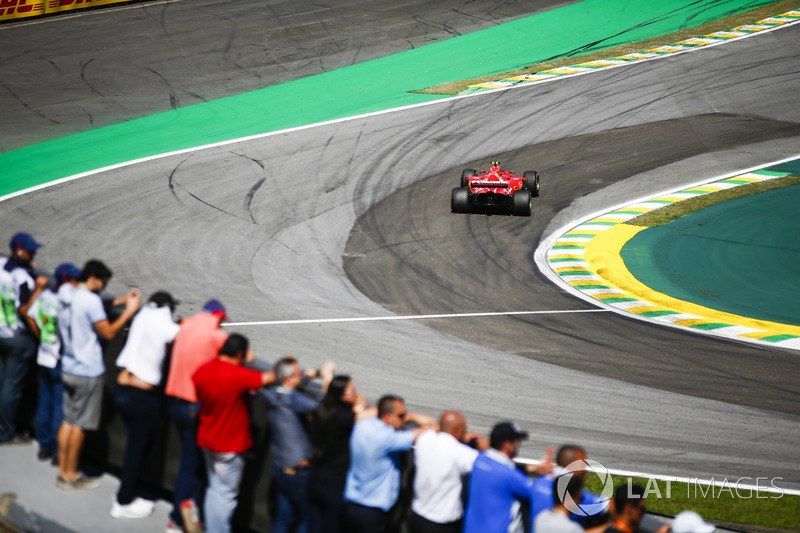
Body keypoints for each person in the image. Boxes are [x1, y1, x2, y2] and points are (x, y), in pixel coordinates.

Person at [56, 259, 140, 490]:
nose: (102, 288)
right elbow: (109, 332)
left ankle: (62, 469)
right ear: (93, 278)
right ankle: (70, 475)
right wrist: (129, 311)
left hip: (68, 366)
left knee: (67, 421)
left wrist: (121, 300)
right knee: (79, 425)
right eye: (102, 283)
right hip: (87, 371)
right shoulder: (91, 301)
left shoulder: (66, 292)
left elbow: (95, 304)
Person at [193, 333, 275, 533]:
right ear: (240, 354)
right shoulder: (237, 376)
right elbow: (271, 377)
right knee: (226, 496)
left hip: (207, 440)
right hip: (228, 448)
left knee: (214, 489)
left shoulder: (203, 371)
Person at [110, 291, 181, 519]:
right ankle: (122, 501)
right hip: (142, 397)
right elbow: (181, 336)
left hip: (122, 388)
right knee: (137, 451)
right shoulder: (165, 325)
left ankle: (129, 491)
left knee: (136, 448)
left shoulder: (143, 315)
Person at [163, 298, 229, 533]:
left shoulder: (187, 324)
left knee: (193, 463)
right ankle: (177, 518)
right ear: (219, 317)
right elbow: (235, 360)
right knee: (191, 465)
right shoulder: (216, 335)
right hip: (196, 407)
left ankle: (192, 511)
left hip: (177, 401)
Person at [343, 394, 437, 533]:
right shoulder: (387, 438)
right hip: (373, 511)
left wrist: (397, 414)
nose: (404, 419)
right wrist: (412, 416)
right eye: (400, 415)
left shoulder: (362, 426)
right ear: (387, 416)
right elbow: (431, 428)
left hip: (352, 503)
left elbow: (369, 413)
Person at [264, 356, 335, 533]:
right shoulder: (294, 399)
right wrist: (327, 381)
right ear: (289, 378)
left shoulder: (272, 394)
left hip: (281, 466)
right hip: (299, 468)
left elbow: (289, 383)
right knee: (308, 518)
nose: (302, 375)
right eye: (298, 373)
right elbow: (322, 409)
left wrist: (310, 374)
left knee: (283, 518)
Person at [23, 263, 81, 462]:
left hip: (44, 356)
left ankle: (44, 447)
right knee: (59, 407)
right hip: (59, 359)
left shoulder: (46, 296)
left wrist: (41, 338)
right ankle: (57, 452)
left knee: (44, 402)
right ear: (68, 281)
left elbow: (30, 316)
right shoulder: (66, 303)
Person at [462, 421, 552, 533]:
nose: (518, 445)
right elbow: (538, 492)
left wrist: (530, 468)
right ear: (507, 445)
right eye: (517, 441)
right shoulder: (510, 475)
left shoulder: (477, 460)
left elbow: (500, 466)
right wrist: (547, 477)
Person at [308, 375, 370, 533]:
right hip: (334, 485)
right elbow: (361, 418)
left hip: (315, 478)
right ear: (342, 395)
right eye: (352, 390)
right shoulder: (342, 418)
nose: (356, 392)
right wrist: (360, 404)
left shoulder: (322, 409)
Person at [408, 410, 485, 533]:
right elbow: (485, 463)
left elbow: (430, 426)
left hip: (417, 517)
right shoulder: (461, 453)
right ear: (458, 431)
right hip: (441, 525)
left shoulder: (424, 440)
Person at [0, 232, 44, 445]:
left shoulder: (1, 266)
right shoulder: (23, 278)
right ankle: (6, 431)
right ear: (19, 251)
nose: (34, 253)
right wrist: (40, 289)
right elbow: (26, 310)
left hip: (1, 331)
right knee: (11, 388)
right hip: (17, 336)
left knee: (3, 384)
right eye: (30, 250)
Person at [531, 444, 610, 531]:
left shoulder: (538, 482)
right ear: (571, 465)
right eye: (583, 465)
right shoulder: (573, 493)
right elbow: (611, 505)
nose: (586, 469)